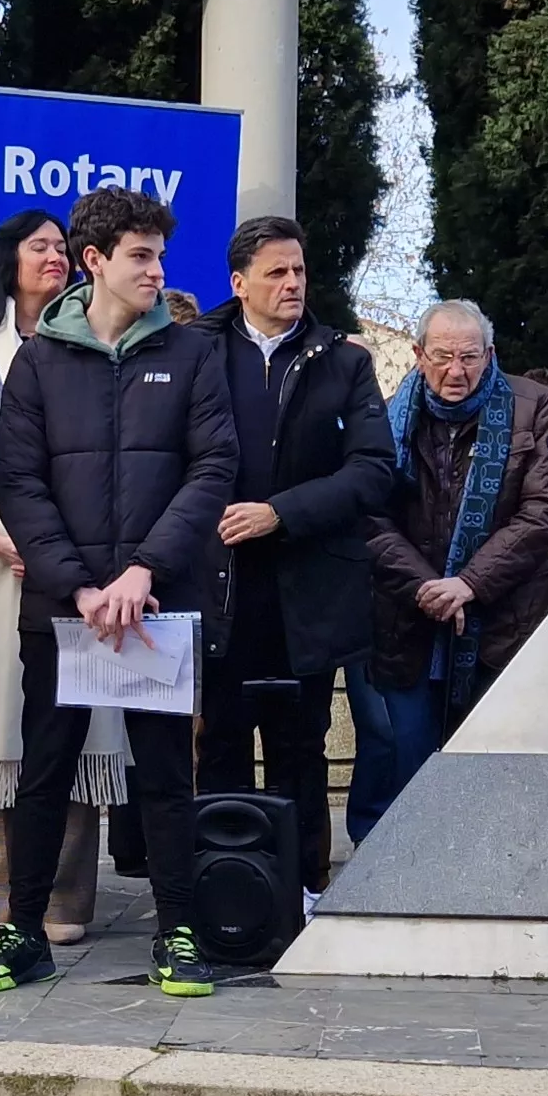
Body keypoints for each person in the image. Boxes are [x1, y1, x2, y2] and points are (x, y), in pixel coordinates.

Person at [0, 185, 236, 998]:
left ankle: (178, 933)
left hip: (155, 602)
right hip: (66, 607)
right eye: (141, 256)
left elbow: (213, 469)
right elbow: (17, 483)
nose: (157, 270)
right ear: (94, 262)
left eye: (159, 254)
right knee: (44, 771)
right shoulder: (37, 362)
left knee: (164, 775)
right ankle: (23, 933)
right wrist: (80, 586)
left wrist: (139, 573)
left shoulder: (192, 354)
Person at [196, 217, 395, 900]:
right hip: (215, 588)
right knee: (218, 746)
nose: (291, 284)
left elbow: (373, 471)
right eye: (276, 272)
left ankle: (302, 889)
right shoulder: (195, 352)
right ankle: (222, 890)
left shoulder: (341, 361)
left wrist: (282, 512)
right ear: (238, 281)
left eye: (299, 271)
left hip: (304, 593)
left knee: (298, 750)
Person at [357, 300, 548, 839]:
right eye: (443, 357)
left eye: (470, 357)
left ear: (489, 354)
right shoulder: (383, 417)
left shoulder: (530, 405)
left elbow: (543, 512)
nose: (457, 371)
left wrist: (469, 583)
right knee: (405, 767)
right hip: (409, 622)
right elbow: (367, 513)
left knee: (490, 772)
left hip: (501, 623)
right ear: (417, 355)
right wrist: (427, 585)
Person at [0, 208, 121, 943]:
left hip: (78, 563)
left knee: (78, 720)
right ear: (9, 258)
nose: (54, 258)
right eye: (39, 246)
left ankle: (64, 898)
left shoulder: (94, 341)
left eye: (63, 247)